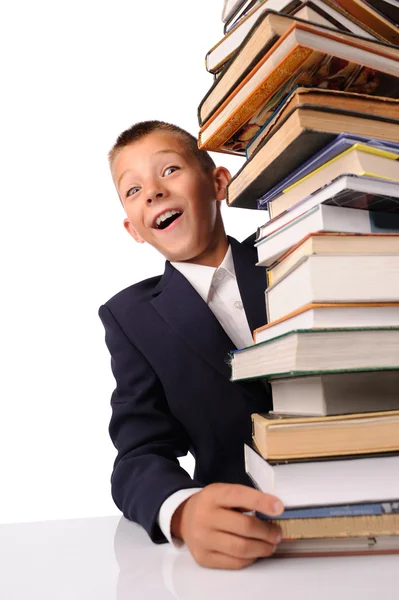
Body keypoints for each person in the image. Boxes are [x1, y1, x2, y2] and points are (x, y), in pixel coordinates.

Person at [99, 120, 284, 570]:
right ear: (134, 229)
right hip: (251, 541)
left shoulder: (296, 247)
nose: (153, 193)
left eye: (169, 171)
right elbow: (140, 454)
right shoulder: (131, 318)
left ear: (218, 182)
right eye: (133, 189)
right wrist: (182, 511)